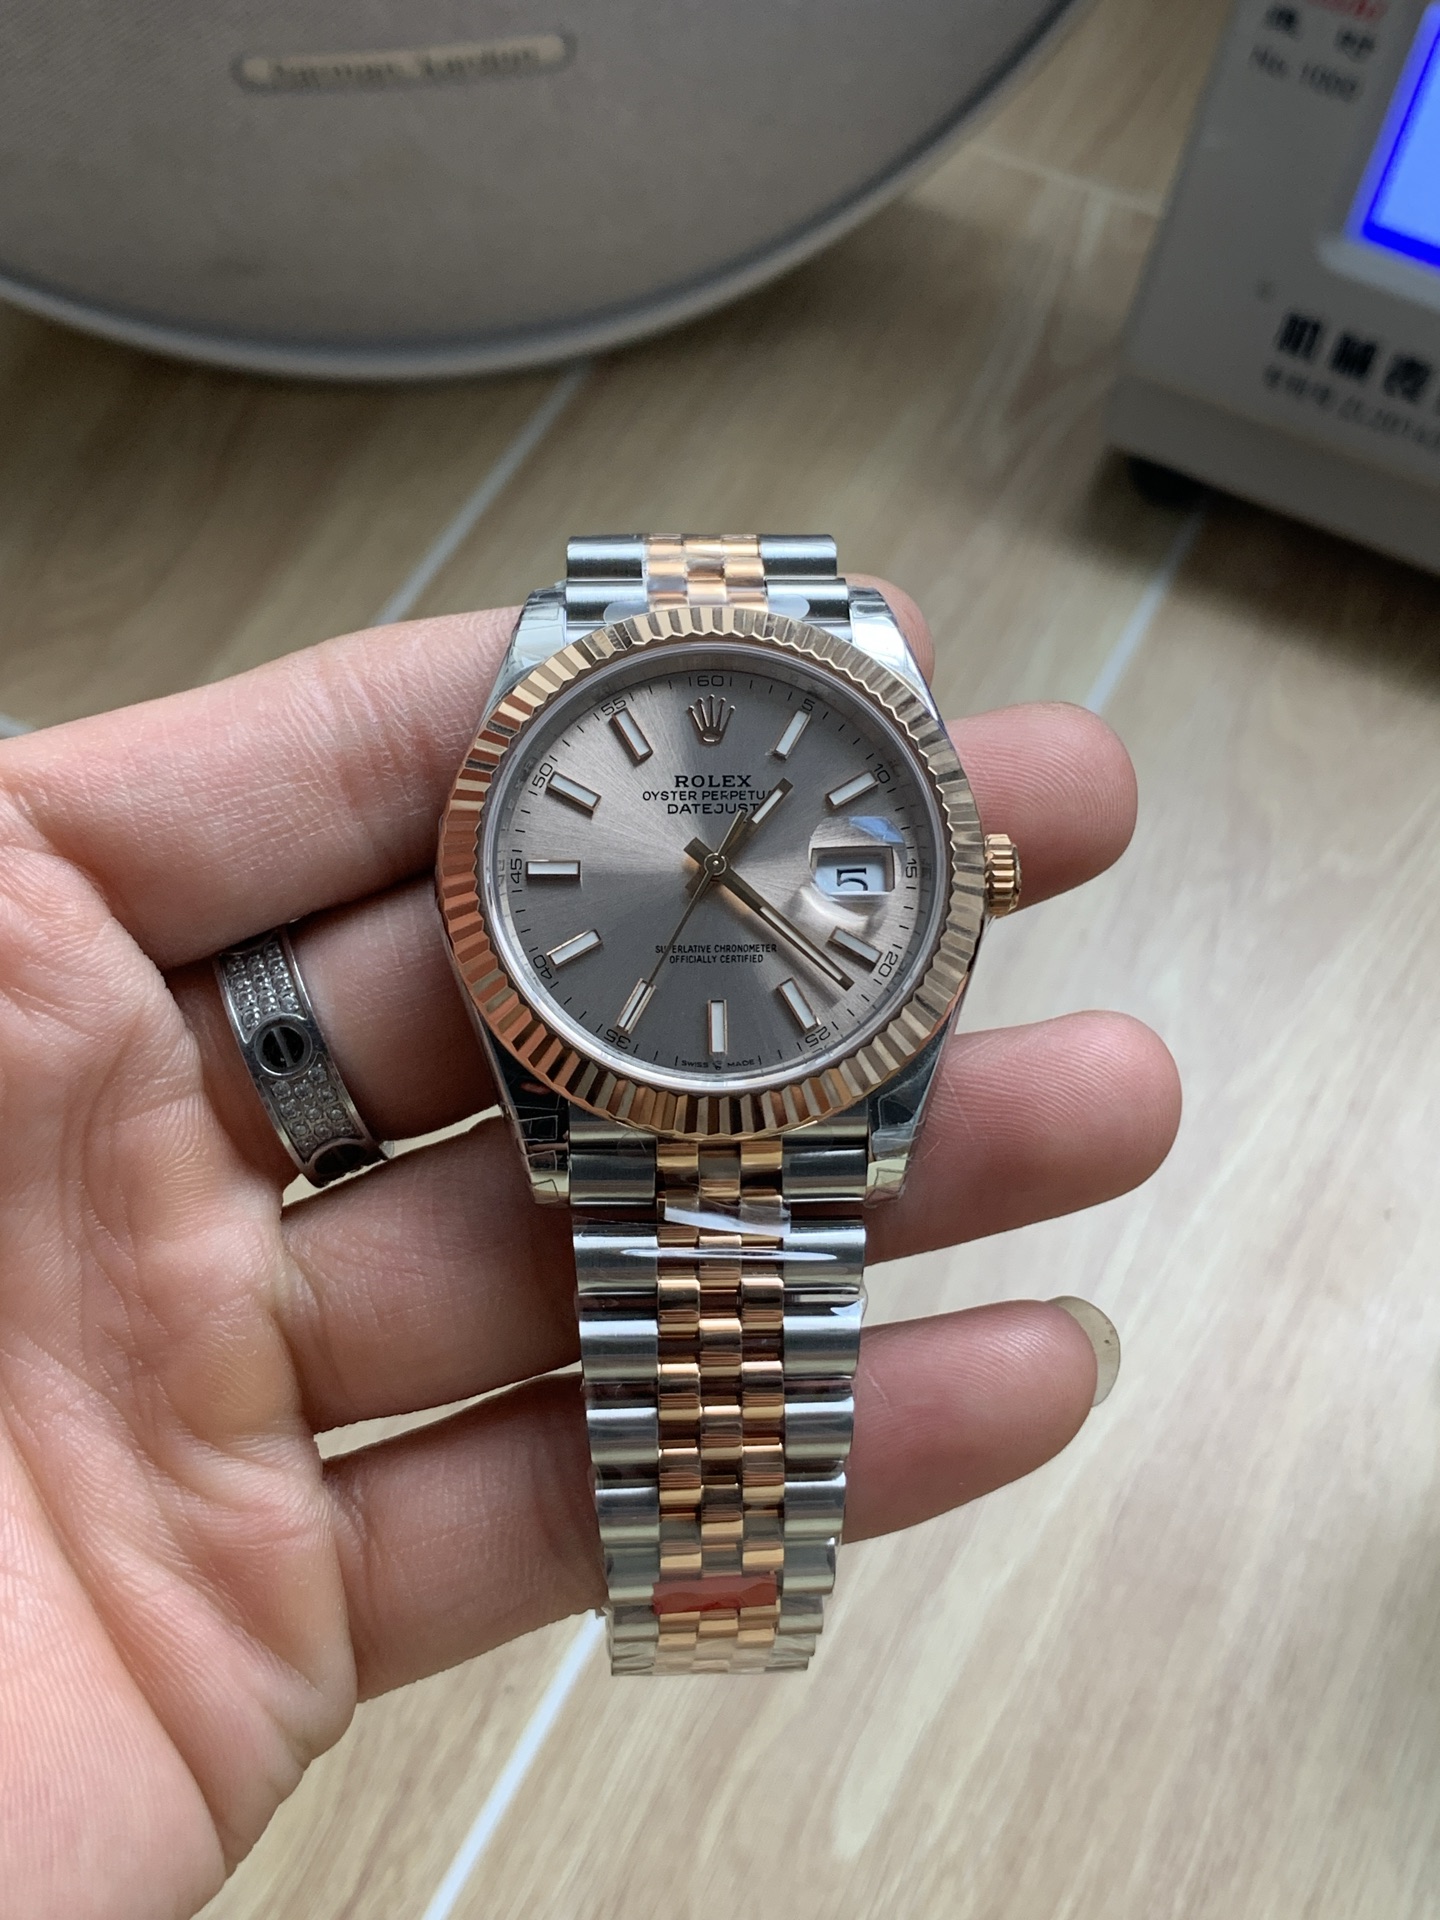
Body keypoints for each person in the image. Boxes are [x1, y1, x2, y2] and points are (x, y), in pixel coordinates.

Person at [0, 586, 1180, 1918]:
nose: (707, 871)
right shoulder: (555, 852)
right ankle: (717, 1592)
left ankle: (720, 1593)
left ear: (970, 875)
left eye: (721, 860)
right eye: (692, 861)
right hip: (623, 1097)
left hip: (772, 1088)